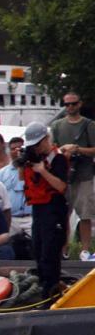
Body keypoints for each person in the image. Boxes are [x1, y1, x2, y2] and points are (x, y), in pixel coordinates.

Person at [22, 121, 69, 296]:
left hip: (54, 209)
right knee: (38, 249)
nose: (34, 149)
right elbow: (25, 179)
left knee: (50, 252)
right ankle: (43, 288)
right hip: (38, 209)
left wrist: (43, 171)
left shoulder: (58, 159)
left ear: (45, 140)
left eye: (36, 145)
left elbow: (61, 186)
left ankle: (51, 291)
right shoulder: (33, 159)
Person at [51, 92, 95, 259]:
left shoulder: (89, 125)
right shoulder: (57, 125)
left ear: (79, 104)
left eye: (73, 104)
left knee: (85, 213)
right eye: (66, 104)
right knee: (62, 214)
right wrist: (63, 150)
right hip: (63, 175)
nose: (69, 107)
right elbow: (52, 148)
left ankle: (84, 249)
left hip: (83, 174)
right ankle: (64, 249)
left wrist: (77, 149)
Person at [0, 137, 31, 239]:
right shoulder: (1, 173)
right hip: (11, 219)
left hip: (30, 218)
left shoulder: (33, 169)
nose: (16, 152)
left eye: (19, 148)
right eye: (13, 149)